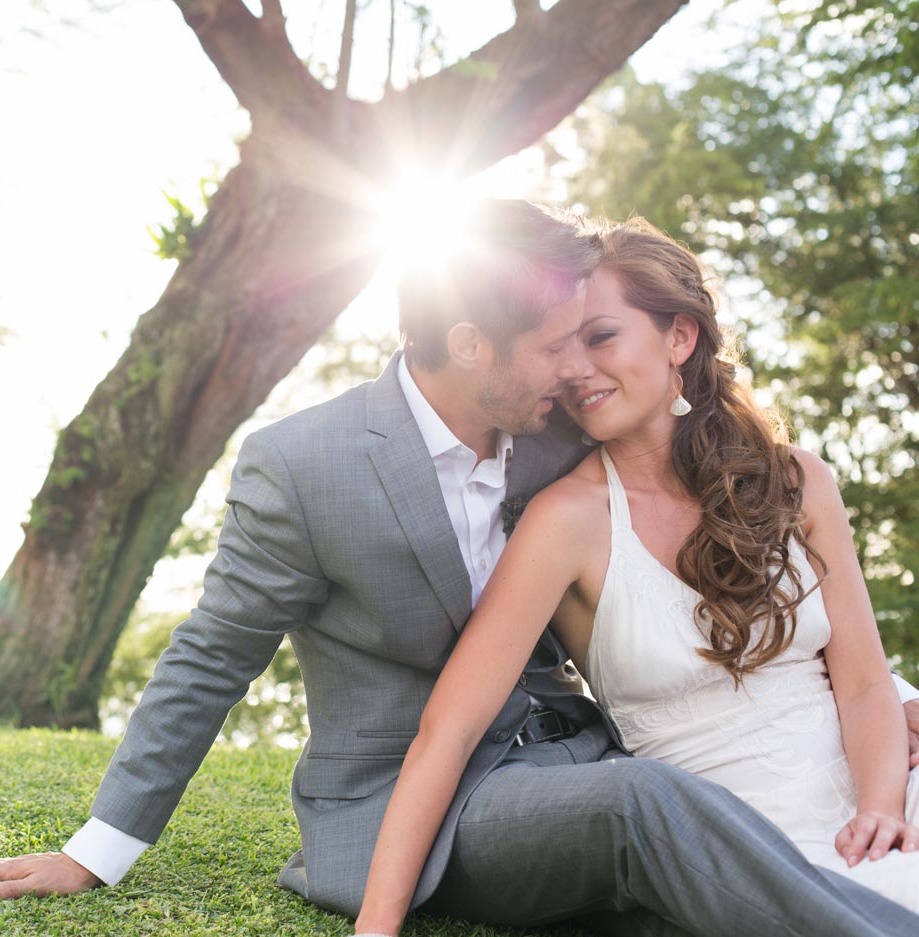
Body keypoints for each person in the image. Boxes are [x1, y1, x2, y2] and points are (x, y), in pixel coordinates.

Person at [0, 201, 919, 935]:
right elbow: (210, 660)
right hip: (430, 798)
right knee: (649, 805)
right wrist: (99, 849)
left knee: (667, 807)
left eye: (586, 343)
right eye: (552, 347)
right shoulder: (304, 467)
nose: (573, 373)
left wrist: (872, 716)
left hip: (583, 764)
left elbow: (667, 425)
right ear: (471, 345)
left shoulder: (556, 436)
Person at [352, 217, 919, 936]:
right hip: (726, 842)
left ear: (679, 338)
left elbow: (867, 680)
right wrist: (377, 922)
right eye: (562, 344)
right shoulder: (566, 520)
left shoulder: (798, 480)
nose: (574, 367)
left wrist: (882, 807)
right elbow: (449, 729)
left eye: (601, 336)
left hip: (878, 785)